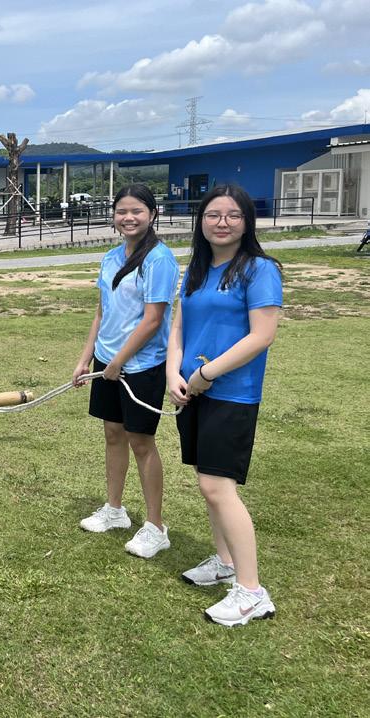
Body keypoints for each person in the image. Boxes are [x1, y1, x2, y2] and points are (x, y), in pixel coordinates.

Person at [167, 184, 282, 626]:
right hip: (192, 390)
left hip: (231, 393)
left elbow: (261, 335)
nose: (222, 223)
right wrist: (173, 373)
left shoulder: (259, 269)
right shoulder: (197, 269)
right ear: (201, 221)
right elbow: (179, 328)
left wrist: (206, 374)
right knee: (207, 482)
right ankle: (224, 562)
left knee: (218, 487)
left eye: (233, 215)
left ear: (247, 222)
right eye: (213, 214)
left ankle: (252, 593)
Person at [72, 184, 179, 559]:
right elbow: (101, 311)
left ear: (152, 214)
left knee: (141, 442)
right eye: (122, 211)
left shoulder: (159, 259)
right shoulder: (110, 257)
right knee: (113, 434)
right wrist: (87, 358)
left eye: (137, 211)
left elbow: (153, 319)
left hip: (141, 365)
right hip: (108, 361)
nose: (128, 217)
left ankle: (156, 527)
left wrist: (119, 361)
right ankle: (115, 510)